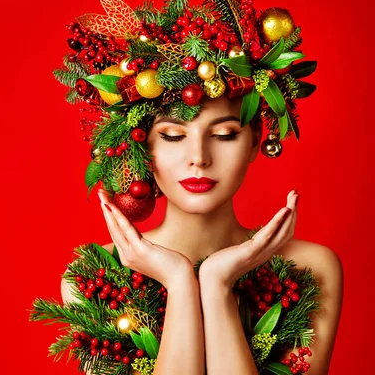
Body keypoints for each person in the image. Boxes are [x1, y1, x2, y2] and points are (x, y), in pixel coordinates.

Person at [61, 94, 343, 374]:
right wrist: (179, 280)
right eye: (172, 135)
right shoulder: (93, 278)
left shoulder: (309, 267)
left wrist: (216, 282)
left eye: (224, 134)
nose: (198, 158)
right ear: (143, 145)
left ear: (255, 140)